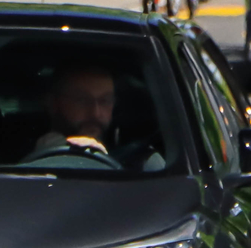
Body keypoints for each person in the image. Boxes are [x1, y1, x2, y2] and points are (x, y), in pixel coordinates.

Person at [23, 61, 163, 170]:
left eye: (105, 101)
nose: (95, 113)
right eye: (81, 100)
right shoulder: (8, 155)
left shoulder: (142, 162)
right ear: (53, 103)